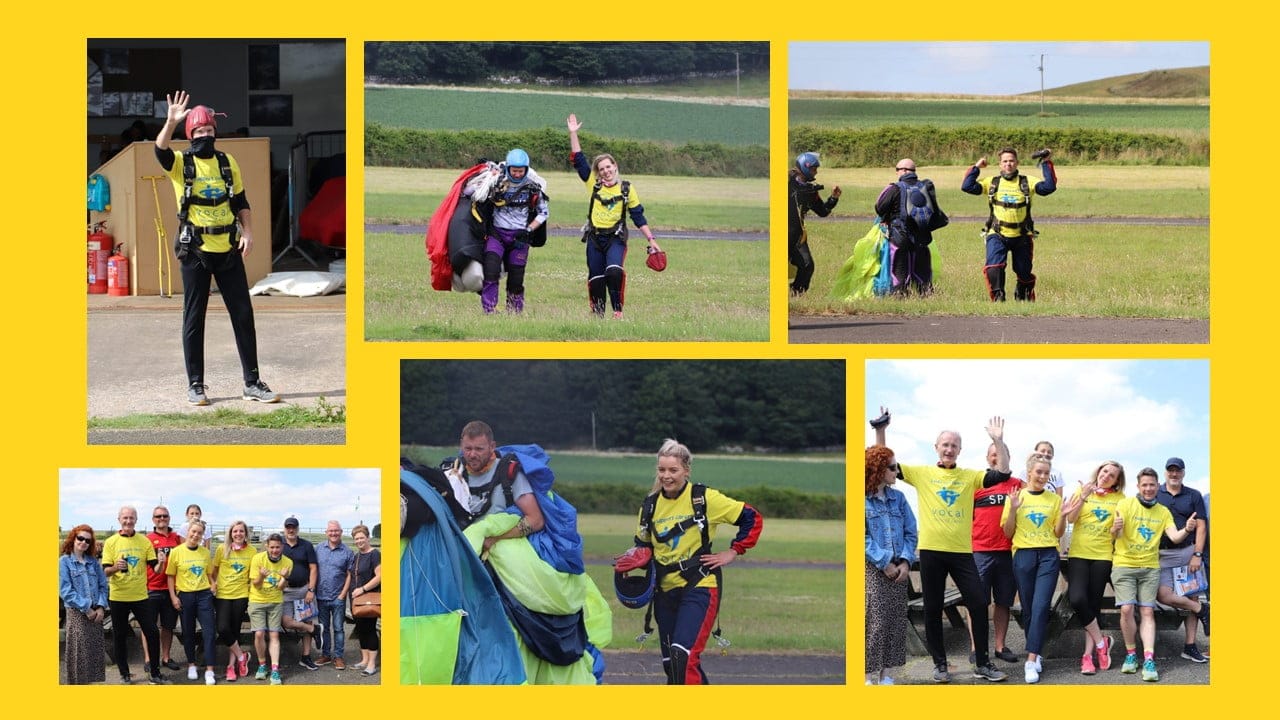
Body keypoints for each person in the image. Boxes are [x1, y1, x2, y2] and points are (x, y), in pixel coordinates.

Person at [155, 89, 279, 406]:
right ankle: (196, 385)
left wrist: (248, 233)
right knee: (194, 318)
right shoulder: (181, 162)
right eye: (199, 132)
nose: (205, 136)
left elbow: (241, 201)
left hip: (227, 248)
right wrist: (170, 122)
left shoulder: (227, 162)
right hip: (195, 249)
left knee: (242, 314)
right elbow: (161, 150)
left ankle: (252, 382)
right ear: (190, 134)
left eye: (209, 131)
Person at [874, 409, 1011, 682]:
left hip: (962, 553)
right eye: (945, 445)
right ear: (936, 448)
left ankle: (983, 664)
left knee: (979, 601)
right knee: (933, 608)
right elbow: (883, 463)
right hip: (932, 552)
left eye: (954, 446)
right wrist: (881, 429)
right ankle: (940, 665)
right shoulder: (922, 473)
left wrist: (998, 441)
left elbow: (1003, 473)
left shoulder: (970, 476)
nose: (949, 449)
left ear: (960, 450)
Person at [625, 439, 763, 684]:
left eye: (673, 470)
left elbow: (751, 518)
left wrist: (733, 551)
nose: (666, 476)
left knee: (682, 656)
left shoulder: (704, 498)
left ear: (686, 470)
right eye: (662, 470)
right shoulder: (649, 506)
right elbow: (643, 545)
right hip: (664, 593)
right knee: (672, 665)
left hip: (699, 585)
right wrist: (633, 564)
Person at [567, 113, 662, 319]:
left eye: (609, 167)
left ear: (615, 166)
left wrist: (652, 240)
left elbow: (638, 217)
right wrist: (573, 134)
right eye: (602, 169)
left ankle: (617, 311)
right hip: (594, 238)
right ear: (598, 173)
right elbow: (579, 160)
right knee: (597, 279)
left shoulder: (627, 188)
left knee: (614, 271)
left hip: (615, 238)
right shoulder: (593, 184)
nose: (606, 171)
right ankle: (598, 315)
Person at [1110, 467, 1199, 682]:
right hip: (1125, 565)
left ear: (1157, 487)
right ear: (1138, 487)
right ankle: (1131, 655)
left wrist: (1187, 529)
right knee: (1127, 609)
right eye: (1144, 485)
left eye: (1152, 485)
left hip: (1150, 567)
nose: (1148, 489)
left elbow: (1175, 537)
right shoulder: (1125, 504)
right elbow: (1115, 535)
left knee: (1148, 612)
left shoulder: (1163, 512)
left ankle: (1149, 658)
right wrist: (1115, 528)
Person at [1001, 453, 1067, 683]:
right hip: (1023, 555)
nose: (1042, 476)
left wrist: (1064, 516)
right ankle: (1036, 651)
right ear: (1029, 473)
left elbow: (1058, 533)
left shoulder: (1055, 500)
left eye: (1046, 473)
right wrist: (1012, 508)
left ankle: (1031, 659)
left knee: (1040, 607)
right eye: (1038, 472)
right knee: (1028, 608)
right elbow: (1008, 532)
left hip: (1048, 554)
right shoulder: (1015, 497)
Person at [961, 147, 1057, 301]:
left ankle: (1023, 298)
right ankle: (999, 299)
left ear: (1017, 163)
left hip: (1022, 236)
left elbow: (1048, 188)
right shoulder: (991, 183)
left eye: (1011, 161)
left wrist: (1046, 162)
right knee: (994, 268)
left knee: (1024, 271)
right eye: (1005, 161)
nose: (1008, 164)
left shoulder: (1027, 182)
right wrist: (976, 167)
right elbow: (967, 186)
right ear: (1000, 164)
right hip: (997, 234)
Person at [464, 148, 549, 314]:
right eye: (514, 171)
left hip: (520, 238)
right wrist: (484, 175)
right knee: (491, 272)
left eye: (521, 171)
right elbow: (468, 192)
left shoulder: (533, 188)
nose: (517, 174)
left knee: (516, 279)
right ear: (508, 168)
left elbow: (544, 212)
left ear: (526, 169)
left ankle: (515, 312)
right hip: (497, 235)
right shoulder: (496, 182)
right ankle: (489, 310)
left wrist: (529, 229)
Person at [1064, 460, 1126, 675]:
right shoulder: (1083, 490)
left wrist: (1117, 529)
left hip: (1103, 556)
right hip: (1079, 554)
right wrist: (1082, 496)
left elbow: (1118, 534)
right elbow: (1070, 518)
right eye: (1105, 471)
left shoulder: (1120, 499)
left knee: (1092, 605)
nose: (1107, 475)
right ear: (1099, 472)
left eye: (1112, 475)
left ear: (1117, 481)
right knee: (1077, 599)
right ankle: (1102, 643)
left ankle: (1087, 657)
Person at [967, 443, 1023, 667]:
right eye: (993, 455)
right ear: (987, 458)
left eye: (1001, 455)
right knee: (977, 601)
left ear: (1008, 458)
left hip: (1008, 552)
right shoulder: (976, 483)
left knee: (1003, 602)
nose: (997, 458)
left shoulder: (1018, 485)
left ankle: (1000, 646)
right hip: (979, 550)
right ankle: (976, 647)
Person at [864, 444, 917, 685]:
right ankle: (867, 676)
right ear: (878, 470)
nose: (897, 472)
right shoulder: (863, 500)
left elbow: (911, 532)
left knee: (895, 622)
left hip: (899, 570)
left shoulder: (900, 498)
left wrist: (906, 562)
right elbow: (861, 536)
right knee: (874, 622)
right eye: (893, 468)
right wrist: (883, 562)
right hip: (874, 570)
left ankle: (887, 674)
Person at [1155, 457, 1210, 663]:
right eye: (1170, 470)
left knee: (1192, 596)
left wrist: (1197, 554)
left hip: (1188, 551)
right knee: (1163, 595)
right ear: (1165, 472)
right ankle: (1203, 610)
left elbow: (1202, 527)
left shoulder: (1193, 495)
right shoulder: (1155, 493)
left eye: (1178, 471)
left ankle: (1190, 646)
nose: (1174, 474)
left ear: (1183, 473)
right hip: (1162, 554)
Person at [103, 506, 167, 684]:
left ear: (136, 520)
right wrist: (116, 567)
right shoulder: (111, 542)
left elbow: (155, 568)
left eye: (131, 518)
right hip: (118, 597)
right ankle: (124, 673)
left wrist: (161, 564)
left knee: (152, 632)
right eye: (125, 518)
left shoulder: (144, 541)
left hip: (141, 596)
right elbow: (105, 572)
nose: (128, 521)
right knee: (120, 635)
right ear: (119, 519)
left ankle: (154, 673)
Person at [873, 158, 946, 295]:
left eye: (897, 170)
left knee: (899, 274)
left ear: (904, 171)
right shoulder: (925, 187)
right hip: (923, 239)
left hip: (900, 237)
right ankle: (925, 295)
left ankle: (900, 294)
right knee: (922, 275)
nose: (897, 173)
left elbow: (879, 208)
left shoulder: (895, 188)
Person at [166, 520, 217, 684]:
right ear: (188, 531)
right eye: (193, 531)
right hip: (185, 596)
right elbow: (170, 576)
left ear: (203, 536)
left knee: (209, 632)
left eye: (199, 533)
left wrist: (213, 584)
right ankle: (192, 665)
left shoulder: (204, 552)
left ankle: (210, 669)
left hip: (204, 595)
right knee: (188, 632)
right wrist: (174, 597)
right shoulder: (176, 552)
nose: (196, 535)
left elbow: (209, 574)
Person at [60, 525, 109, 684]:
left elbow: (103, 585)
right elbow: (65, 590)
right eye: (80, 538)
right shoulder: (65, 562)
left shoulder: (93, 562)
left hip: (96, 614)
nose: (83, 542)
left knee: (93, 654)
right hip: (78, 614)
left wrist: (101, 607)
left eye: (87, 540)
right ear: (73, 539)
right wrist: (86, 607)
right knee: (79, 654)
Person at [787, 152, 840, 296]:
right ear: (805, 167)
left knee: (807, 266)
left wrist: (833, 198)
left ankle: (796, 294)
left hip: (797, 236)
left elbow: (823, 211)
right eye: (813, 169)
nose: (816, 172)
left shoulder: (810, 191)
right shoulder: (787, 183)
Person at [210, 519, 255, 682]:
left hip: (241, 595)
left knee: (235, 630)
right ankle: (242, 657)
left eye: (241, 531)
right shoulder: (222, 549)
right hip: (223, 595)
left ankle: (231, 667)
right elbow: (213, 571)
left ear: (245, 534)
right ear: (231, 534)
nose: (238, 534)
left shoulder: (252, 551)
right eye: (235, 531)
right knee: (222, 628)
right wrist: (214, 584)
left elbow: (253, 574)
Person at [249, 532, 293, 685]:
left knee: (274, 635)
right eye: (272, 547)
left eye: (278, 547)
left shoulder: (288, 562)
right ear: (267, 546)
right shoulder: (257, 559)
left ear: (282, 547)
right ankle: (262, 666)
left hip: (275, 601)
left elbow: (281, 588)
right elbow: (256, 584)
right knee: (259, 634)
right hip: (257, 600)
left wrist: (285, 578)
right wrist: (261, 576)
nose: (275, 550)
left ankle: (275, 669)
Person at [143, 505, 182, 672]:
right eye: (158, 516)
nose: (162, 518)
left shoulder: (177, 538)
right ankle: (149, 658)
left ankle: (166, 657)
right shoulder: (147, 539)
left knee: (168, 626)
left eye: (165, 516)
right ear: (153, 519)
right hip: (150, 587)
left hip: (170, 589)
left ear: (169, 518)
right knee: (148, 626)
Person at [279, 515, 321, 670]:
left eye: (293, 527)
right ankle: (314, 630)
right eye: (288, 527)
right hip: (285, 590)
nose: (291, 530)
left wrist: (311, 589)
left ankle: (306, 656)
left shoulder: (306, 545)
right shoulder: (279, 545)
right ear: (284, 529)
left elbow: (313, 568)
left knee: (307, 620)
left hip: (304, 589)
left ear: (297, 529)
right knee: (286, 621)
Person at [315, 520, 354, 669]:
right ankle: (326, 655)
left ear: (341, 532)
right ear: (326, 533)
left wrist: (342, 595)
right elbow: (313, 570)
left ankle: (338, 657)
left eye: (336, 531)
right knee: (324, 628)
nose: (333, 533)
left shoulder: (348, 552)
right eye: (331, 531)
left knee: (338, 628)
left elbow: (349, 575)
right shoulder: (318, 549)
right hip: (321, 596)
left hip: (338, 597)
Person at [349, 524, 382, 676]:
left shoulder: (374, 554)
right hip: (356, 599)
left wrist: (362, 589)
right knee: (361, 629)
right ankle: (364, 660)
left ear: (368, 538)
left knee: (369, 630)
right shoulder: (357, 556)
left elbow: (380, 576)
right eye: (356, 538)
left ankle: (371, 664)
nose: (359, 541)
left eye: (362, 537)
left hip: (369, 598)